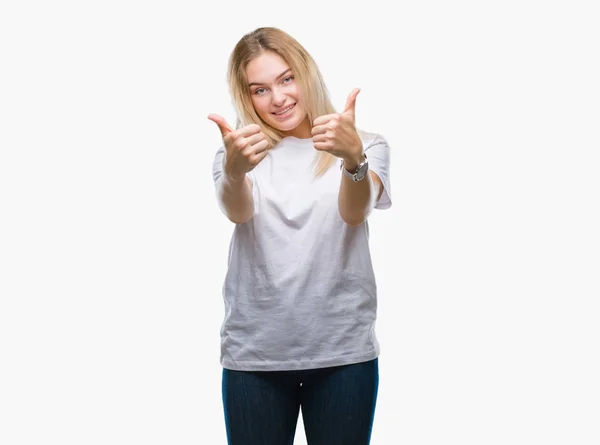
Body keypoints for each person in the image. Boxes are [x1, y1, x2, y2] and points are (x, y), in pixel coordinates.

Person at [208, 26, 392, 445]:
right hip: (255, 356)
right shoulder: (240, 152)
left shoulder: (366, 145)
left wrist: (352, 160)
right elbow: (236, 209)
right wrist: (235, 172)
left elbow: (355, 211)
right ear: (246, 97)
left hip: (343, 354)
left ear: (306, 74)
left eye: (287, 79)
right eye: (260, 89)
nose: (278, 98)